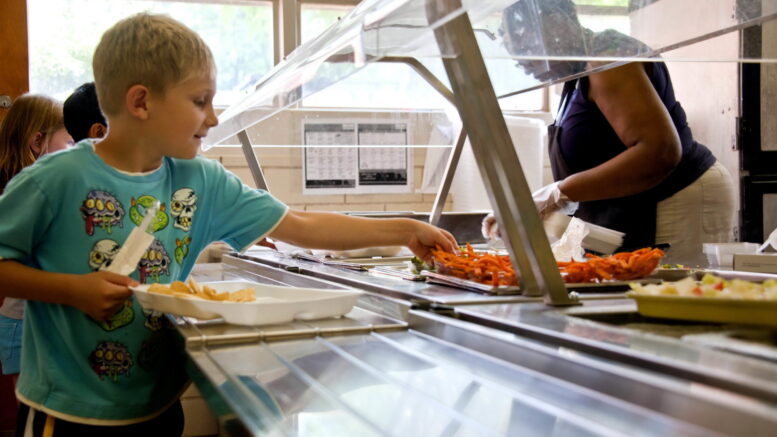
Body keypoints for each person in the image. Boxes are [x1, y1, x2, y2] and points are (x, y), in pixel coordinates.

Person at [0, 13, 457, 436]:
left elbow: (300, 226)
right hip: (71, 413)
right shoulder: (55, 180)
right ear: (141, 102)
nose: (214, 118)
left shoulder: (201, 179)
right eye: (200, 101)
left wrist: (402, 229)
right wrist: (72, 290)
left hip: (158, 405)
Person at [487, 0, 734, 266]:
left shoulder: (607, 57)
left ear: (555, 26)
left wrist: (556, 194)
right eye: (516, 56)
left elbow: (659, 151)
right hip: (634, 204)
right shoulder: (575, 73)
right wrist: (536, 202)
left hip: (676, 196)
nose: (522, 63)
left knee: (664, 294)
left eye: (525, 49)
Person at [0, 94, 73, 389]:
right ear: (37, 141)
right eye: (68, 142)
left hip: (27, 324)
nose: (73, 150)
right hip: (24, 327)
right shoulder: (25, 197)